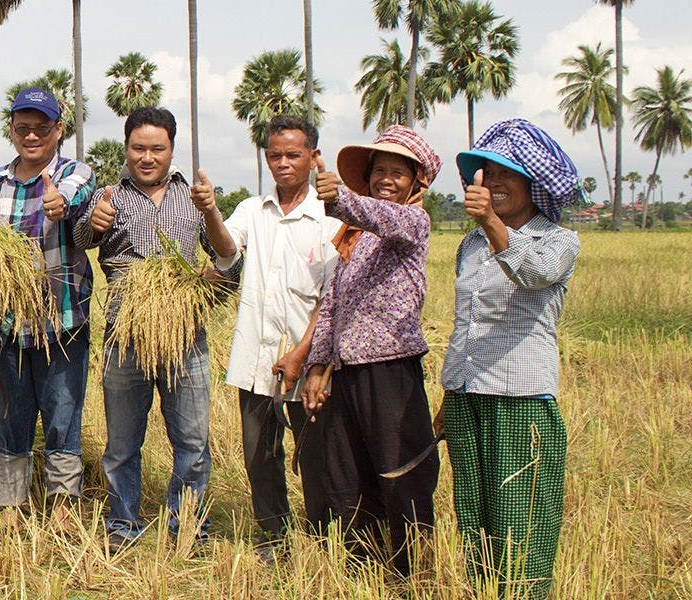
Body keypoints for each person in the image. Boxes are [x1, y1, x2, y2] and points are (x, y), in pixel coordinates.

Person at [74, 106, 234, 553]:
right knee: (122, 443)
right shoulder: (110, 195)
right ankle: (122, 525)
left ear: (171, 150)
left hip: (184, 334)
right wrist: (94, 222)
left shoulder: (193, 197)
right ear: (126, 149)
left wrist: (213, 215)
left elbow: (227, 260)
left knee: (192, 441)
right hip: (125, 334)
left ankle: (187, 528)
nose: (147, 157)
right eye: (138, 148)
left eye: (156, 149)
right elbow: (82, 239)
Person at [442, 118, 581, 598]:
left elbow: (536, 273)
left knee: (521, 523)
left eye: (505, 174)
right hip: (467, 395)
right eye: (485, 172)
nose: (493, 183)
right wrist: (449, 393)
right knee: (475, 520)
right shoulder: (470, 245)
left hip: (520, 398)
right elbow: (467, 324)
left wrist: (491, 223)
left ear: (533, 184)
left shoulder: (557, 240)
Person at [303, 124, 440, 575]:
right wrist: (318, 366)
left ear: (416, 182)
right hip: (347, 371)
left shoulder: (411, 221)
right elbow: (332, 305)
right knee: (348, 470)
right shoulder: (354, 236)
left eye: (398, 173)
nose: (386, 179)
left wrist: (338, 197)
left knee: (399, 469)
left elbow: (383, 216)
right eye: (379, 170)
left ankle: (410, 569)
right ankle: (363, 565)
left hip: (390, 368)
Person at [209, 115, 341, 558]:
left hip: (312, 365)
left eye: (293, 155)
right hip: (256, 361)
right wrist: (210, 210)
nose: (283, 163)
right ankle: (273, 538)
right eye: (275, 156)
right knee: (259, 456)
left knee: (315, 456)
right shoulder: (251, 210)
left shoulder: (330, 218)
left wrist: (303, 354)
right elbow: (227, 252)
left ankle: (324, 539)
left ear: (312, 157)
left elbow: (333, 295)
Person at [0, 87, 96, 532]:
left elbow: (72, 197)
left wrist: (58, 204)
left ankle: (62, 505)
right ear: (11, 130)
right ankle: (10, 506)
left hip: (62, 320)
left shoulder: (74, 172)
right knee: (10, 414)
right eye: (22, 128)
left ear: (58, 130)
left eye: (41, 128)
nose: (31, 136)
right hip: (6, 325)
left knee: (63, 412)